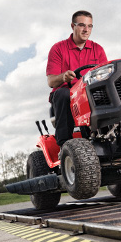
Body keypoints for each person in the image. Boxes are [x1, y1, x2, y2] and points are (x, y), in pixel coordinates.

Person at [46, 10, 108, 147]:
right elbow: (51, 81)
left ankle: (108, 138)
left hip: (89, 93)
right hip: (67, 94)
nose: (86, 30)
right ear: (72, 26)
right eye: (82, 25)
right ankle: (65, 146)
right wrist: (63, 77)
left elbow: (105, 77)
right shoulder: (58, 49)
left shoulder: (98, 50)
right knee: (63, 94)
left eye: (90, 26)